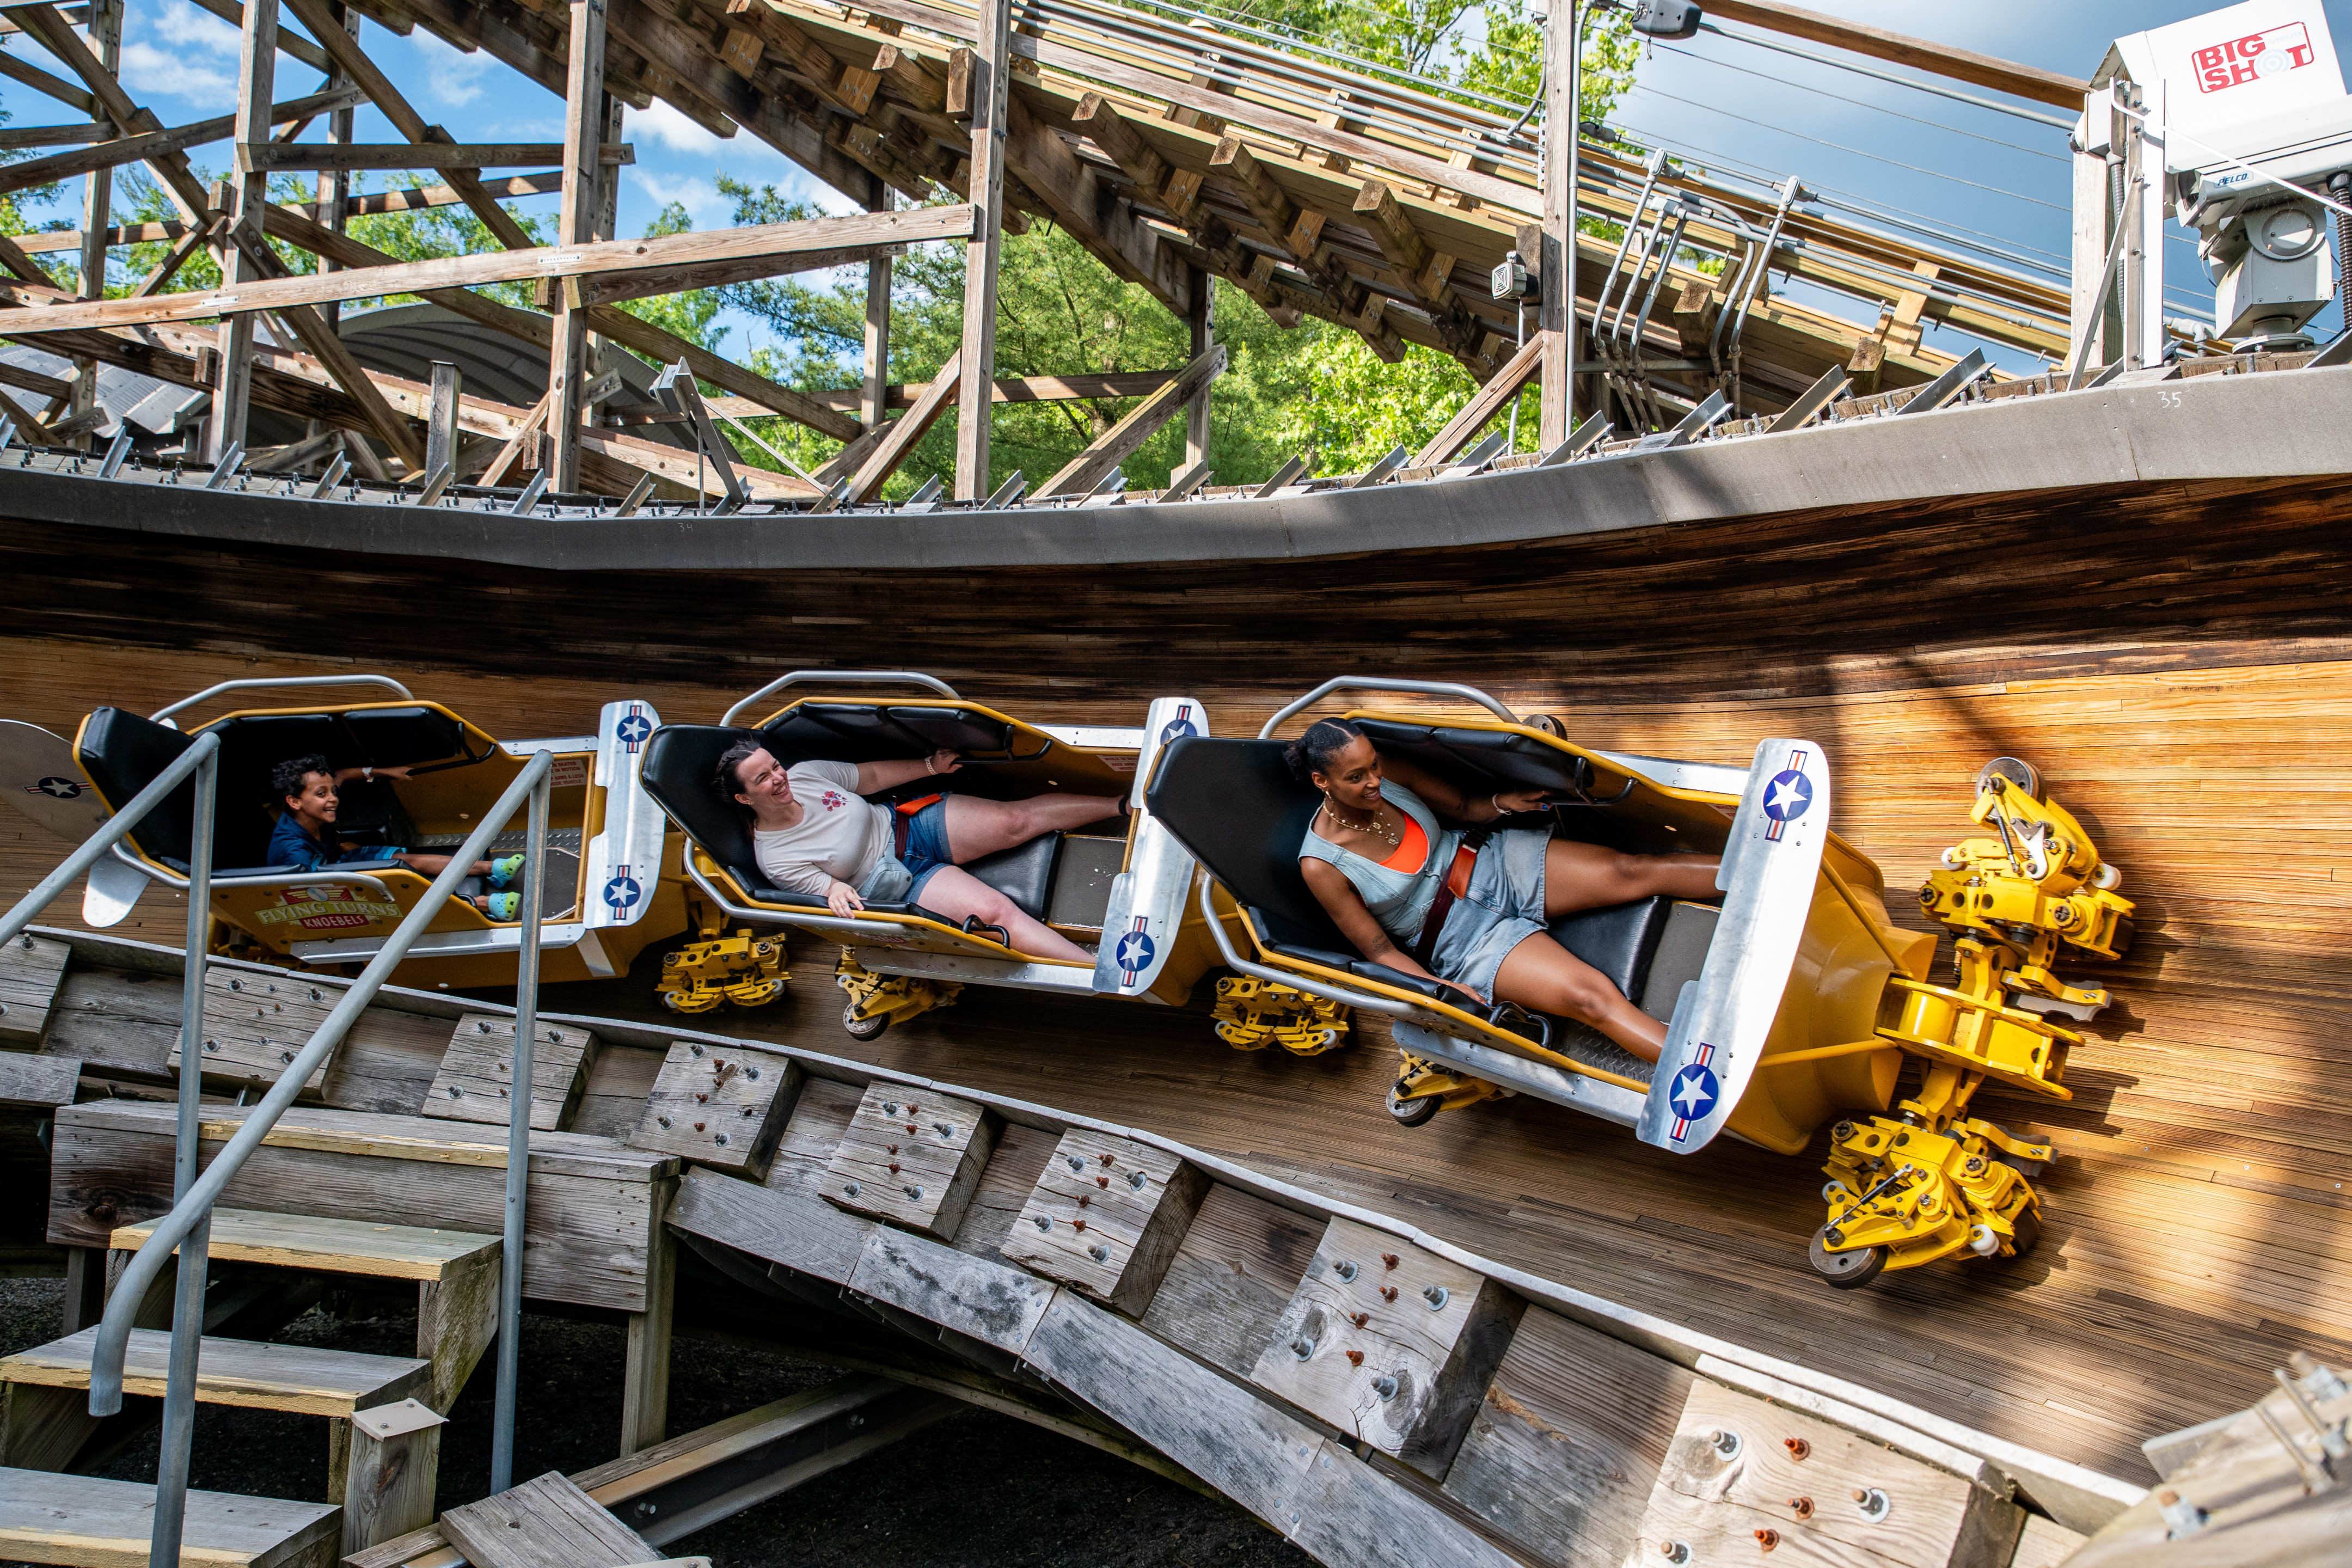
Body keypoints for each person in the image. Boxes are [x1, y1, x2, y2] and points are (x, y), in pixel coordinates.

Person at [1287, 718, 1720, 1063]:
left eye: (1375, 765)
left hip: (1491, 863)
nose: (1375, 781)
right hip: (1462, 940)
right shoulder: (1321, 865)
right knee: (1591, 1000)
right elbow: (1380, 951)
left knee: (1634, 869)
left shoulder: (1391, 776)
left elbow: (1460, 807)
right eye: (1356, 776)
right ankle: (1713, 1070)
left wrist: (1502, 802)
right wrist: (1441, 991)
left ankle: (1764, 871)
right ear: (1322, 782)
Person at [716, 738, 1122, 964]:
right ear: (744, 797)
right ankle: (1093, 967)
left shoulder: (806, 775)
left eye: (775, 766)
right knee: (996, 914)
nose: (779, 778)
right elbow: (829, 891)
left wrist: (929, 766)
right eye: (763, 778)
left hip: (907, 823)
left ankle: (1124, 805)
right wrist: (832, 891)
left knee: (1014, 821)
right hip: (896, 879)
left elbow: (870, 776)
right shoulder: (776, 857)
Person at [268, 754, 530, 921]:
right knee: (397, 883)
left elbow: (343, 775)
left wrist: (386, 771)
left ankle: (491, 869)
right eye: (321, 794)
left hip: (338, 859)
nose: (333, 798)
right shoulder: (293, 852)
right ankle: (480, 904)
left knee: (405, 859)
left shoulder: (317, 817)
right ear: (294, 802)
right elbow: (314, 893)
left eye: (332, 792)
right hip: (329, 885)